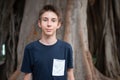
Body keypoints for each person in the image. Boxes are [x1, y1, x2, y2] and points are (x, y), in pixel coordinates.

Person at [21, 4, 75, 80]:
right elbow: (27, 76)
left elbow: (70, 74)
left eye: (53, 20)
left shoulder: (66, 48)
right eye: (45, 20)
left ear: (58, 24)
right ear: (39, 23)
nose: (49, 24)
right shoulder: (30, 49)